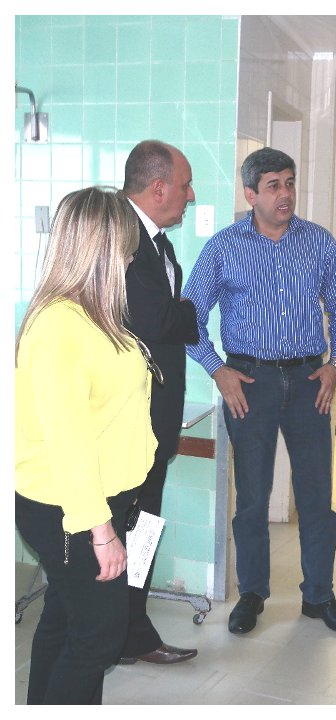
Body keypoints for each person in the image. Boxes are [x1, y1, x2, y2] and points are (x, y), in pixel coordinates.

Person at [183, 147, 336, 636]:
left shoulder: (318, 242)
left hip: (309, 383)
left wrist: (335, 365)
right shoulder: (224, 247)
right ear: (250, 194)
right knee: (252, 498)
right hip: (249, 383)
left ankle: (319, 596)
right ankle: (252, 594)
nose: (285, 194)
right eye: (274, 185)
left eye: (290, 182)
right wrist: (217, 369)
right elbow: (188, 317)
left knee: (316, 497)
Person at [15, 187, 158, 704]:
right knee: (98, 637)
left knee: (65, 619)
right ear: (100, 250)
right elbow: (69, 442)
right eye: (125, 248)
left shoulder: (92, 313)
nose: (130, 258)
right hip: (71, 510)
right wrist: (101, 532)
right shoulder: (59, 326)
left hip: (93, 501)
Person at [118, 140, 199, 665]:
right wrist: (185, 314)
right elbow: (155, 322)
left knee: (145, 525)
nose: (191, 196)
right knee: (122, 529)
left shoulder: (159, 243)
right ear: (159, 187)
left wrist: (179, 315)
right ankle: (120, 632)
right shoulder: (119, 238)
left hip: (156, 419)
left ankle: (134, 630)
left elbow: (169, 319)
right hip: (127, 421)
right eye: (185, 186)